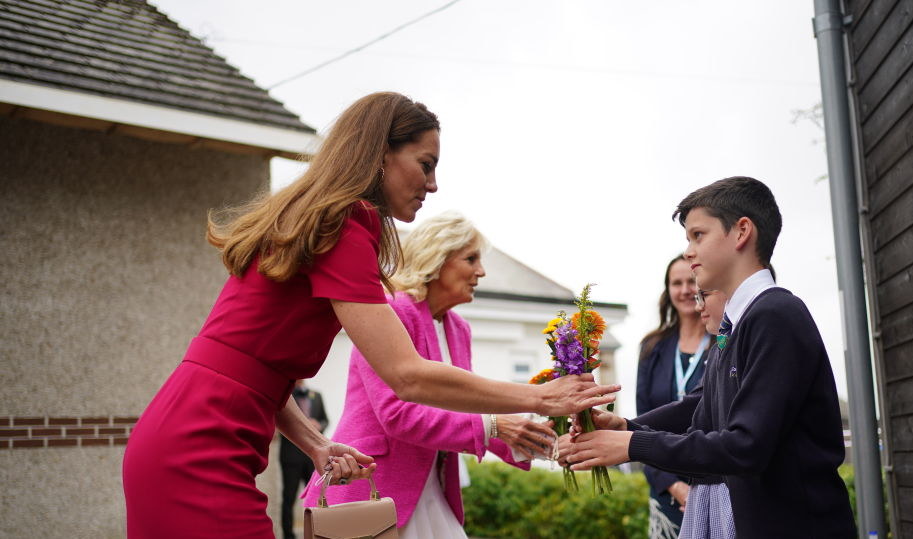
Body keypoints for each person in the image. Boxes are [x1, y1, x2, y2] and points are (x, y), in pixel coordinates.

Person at [121, 92, 619, 539]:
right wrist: (540, 396)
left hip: (182, 437)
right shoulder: (344, 222)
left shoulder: (317, 221)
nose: (434, 183)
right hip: (197, 451)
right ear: (381, 153)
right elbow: (406, 377)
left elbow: (257, 374)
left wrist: (317, 444)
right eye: (425, 163)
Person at [562, 177, 855, 538]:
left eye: (697, 235)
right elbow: (700, 407)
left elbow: (745, 446)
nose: (688, 252)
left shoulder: (776, 314)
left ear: (741, 232)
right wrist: (626, 427)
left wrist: (632, 445)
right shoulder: (732, 327)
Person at [304, 211, 556, 538]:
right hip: (374, 485)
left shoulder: (458, 329)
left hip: (433, 488)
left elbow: (469, 410)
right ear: (437, 258)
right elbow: (397, 415)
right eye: (470, 258)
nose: (481, 271)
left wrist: (542, 442)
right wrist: (496, 424)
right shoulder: (391, 312)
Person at [636, 254, 713, 538]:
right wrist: (676, 487)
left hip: (714, 484)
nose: (685, 290)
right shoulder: (652, 348)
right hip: (666, 491)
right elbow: (642, 424)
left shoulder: (723, 340)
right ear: (667, 291)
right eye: (676, 283)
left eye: (691, 281)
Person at [279, 380, 328, 539]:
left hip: (313, 458)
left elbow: (325, 419)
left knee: (317, 495)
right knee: (289, 497)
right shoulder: (284, 394)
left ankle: (319, 532)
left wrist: (319, 425)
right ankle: (288, 535)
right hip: (290, 457)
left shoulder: (317, 396)